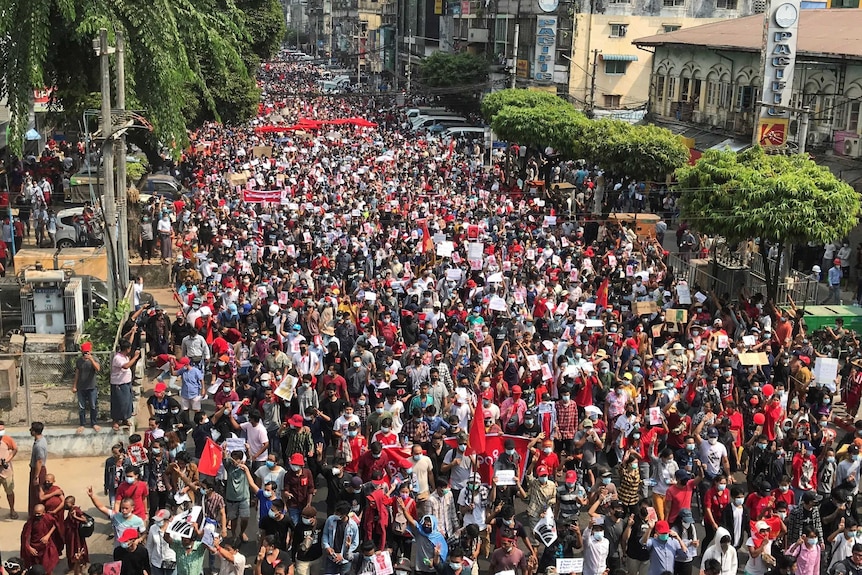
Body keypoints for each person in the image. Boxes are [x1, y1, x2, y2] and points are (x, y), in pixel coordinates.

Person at [20, 503, 62, 575]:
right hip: (34, 546)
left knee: (47, 565)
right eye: (35, 513)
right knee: (33, 567)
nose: (37, 515)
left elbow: (55, 525)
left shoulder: (48, 518)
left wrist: (47, 536)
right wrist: (29, 547)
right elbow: (25, 536)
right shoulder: (30, 522)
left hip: (45, 546)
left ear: (44, 512)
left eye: (39, 514)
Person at [322, 501, 359, 575]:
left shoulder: (353, 525)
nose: (335, 514)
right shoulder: (330, 520)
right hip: (331, 557)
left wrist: (342, 555)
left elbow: (355, 542)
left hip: (345, 560)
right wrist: (327, 546)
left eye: (337, 514)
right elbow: (325, 534)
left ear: (344, 514)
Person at [110, 340, 140, 430]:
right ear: (127, 349)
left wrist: (133, 332)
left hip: (126, 382)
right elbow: (126, 366)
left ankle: (125, 419)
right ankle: (115, 420)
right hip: (118, 383)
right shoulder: (117, 358)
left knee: (127, 401)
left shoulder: (125, 356)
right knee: (119, 402)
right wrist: (135, 357)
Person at [72, 341, 101, 433]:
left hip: (92, 387)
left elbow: (98, 369)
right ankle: (82, 424)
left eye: (87, 352)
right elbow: (77, 373)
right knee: (81, 407)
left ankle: (94, 423)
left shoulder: (95, 359)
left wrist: (91, 359)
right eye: (84, 352)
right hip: (81, 387)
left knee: (93, 406)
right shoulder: (79, 361)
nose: (85, 354)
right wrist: (74, 386)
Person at [292, 506, 323, 575]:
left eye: (307, 518)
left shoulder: (321, 524)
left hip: (316, 558)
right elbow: (295, 543)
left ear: (314, 517)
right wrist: (293, 559)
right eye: (303, 517)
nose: (304, 519)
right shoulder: (299, 526)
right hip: (302, 560)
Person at [64, 496, 89, 575]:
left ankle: (80, 567)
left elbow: (84, 520)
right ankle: (72, 567)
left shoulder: (76, 510)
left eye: (67, 503)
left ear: (72, 503)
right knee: (70, 550)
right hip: (71, 535)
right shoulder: (70, 510)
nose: (65, 505)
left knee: (77, 549)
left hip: (76, 535)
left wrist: (75, 517)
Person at [146, 509, 177, 575]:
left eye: (159, 520)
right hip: (156, 561)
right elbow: (149, 546)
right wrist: (148, 560)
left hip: (171, 560)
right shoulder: (153, 528)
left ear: (166, 520)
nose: (157, 521)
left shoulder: (173, 529)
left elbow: (177, 545)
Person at [0, 420, 19, 518]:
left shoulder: (7, 439)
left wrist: (7, 460)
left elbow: (15, 449)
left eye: (2, 429)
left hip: (6, 471)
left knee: (9, 492)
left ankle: (12, 509)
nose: (1, 432)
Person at [28, 421, 48, 516]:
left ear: (34, 432)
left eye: (31, 429)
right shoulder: (41, 440)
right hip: (38, 469)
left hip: (38, 471)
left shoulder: (39, 445)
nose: (30, 431)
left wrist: (36, 476)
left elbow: (39, 461)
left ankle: (37, 513)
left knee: (37, 493)